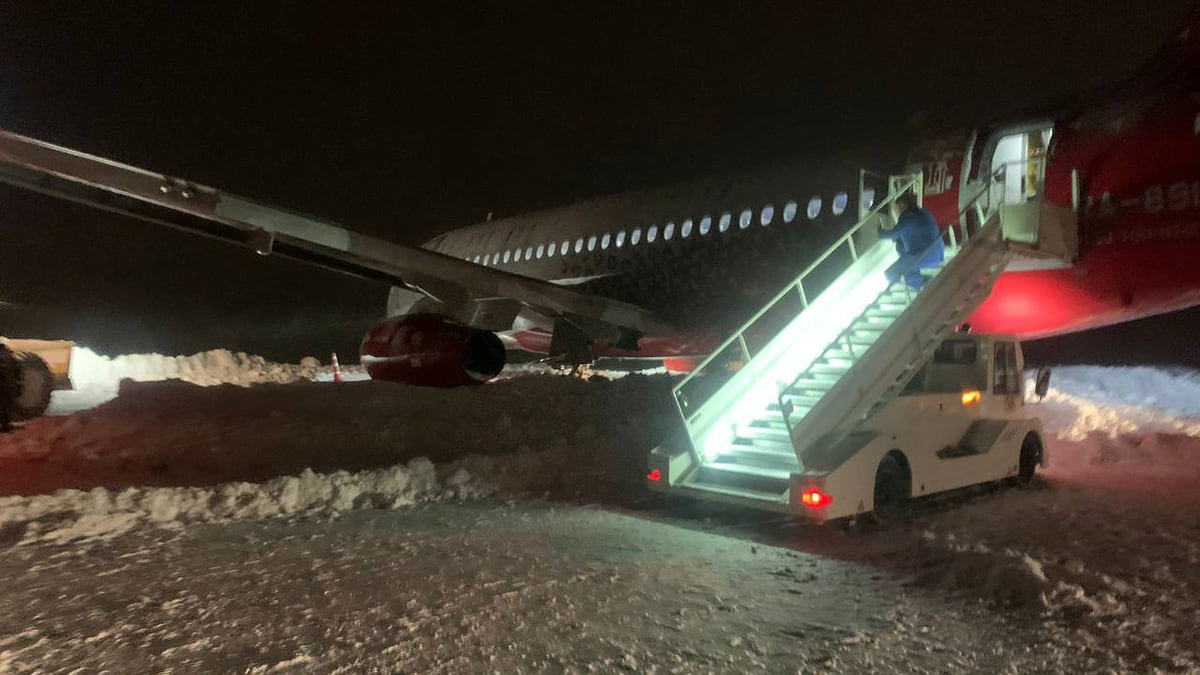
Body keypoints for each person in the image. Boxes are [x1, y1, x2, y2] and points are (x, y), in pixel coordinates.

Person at [881, 192, 945, 290]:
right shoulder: (923, 213)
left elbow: (893, 234)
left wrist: (879, 233)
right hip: (937, 254)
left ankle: (923, 281)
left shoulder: (908, 216)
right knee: (900, 244)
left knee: (890, 274)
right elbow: (900, 235)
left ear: (902, 205)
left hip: (923, 255)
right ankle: (918, 280)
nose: (895, 211)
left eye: (896, 207)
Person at [0, 345, 17, 433]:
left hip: (6, 387)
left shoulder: (6, 356)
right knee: (6, 408)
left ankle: (5, 426)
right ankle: (5, 426)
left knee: (4, 408)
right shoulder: (8, 356)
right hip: (8, 387)